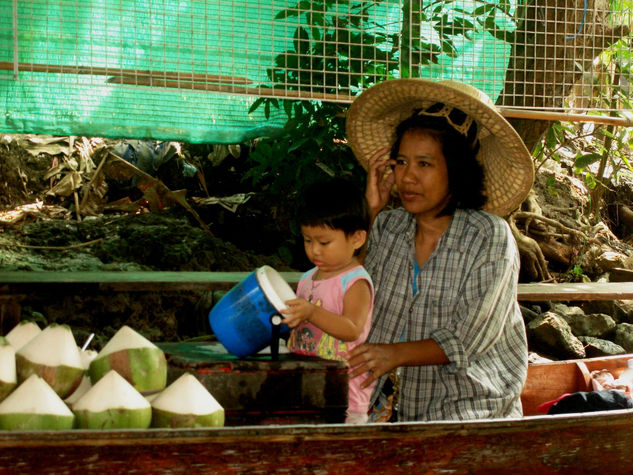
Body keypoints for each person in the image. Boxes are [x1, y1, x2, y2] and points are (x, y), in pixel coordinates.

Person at [345, 78, 535, 422]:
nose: (407, 178)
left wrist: (395, 354)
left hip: (467, 404)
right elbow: (343, 294)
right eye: (401, 163)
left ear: (457, 171)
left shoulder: (488, 237)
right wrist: (370, 211)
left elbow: (466, 339)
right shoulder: (387, 228)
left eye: (424, 164)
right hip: (384, 401)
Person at [281, 177, 375, 424]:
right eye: (307, 240)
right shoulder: (307, 278)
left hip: (344, 400)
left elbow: (352, 329)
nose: (314, 250)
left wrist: (311, 312)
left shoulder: (355, 282)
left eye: (324, 242)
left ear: (356, 238)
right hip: (306, 388)